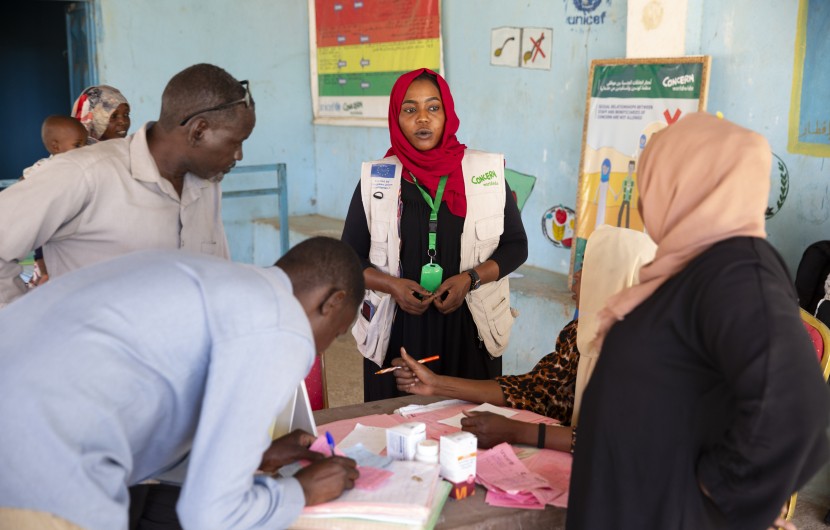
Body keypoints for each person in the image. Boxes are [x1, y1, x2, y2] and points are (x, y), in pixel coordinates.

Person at [566, 113, 830, 530]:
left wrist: (719, 490)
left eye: (655, 170)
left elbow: (797, 413)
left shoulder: (737, 270)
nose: (642, 194)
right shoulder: (695, 265)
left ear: (688, 179)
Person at [0, 237, 363, 530]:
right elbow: (211, 516)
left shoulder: (216, 280)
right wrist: (301, 491)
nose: (323, 348)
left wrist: (254, 456)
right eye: (337, 333)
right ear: (333, 303)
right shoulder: (281, 321)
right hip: (42, 459)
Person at [0, 63, 255, 309]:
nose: (238, 155)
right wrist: (25, 319)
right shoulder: (84, 173)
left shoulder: (205, 184)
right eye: (236, 142)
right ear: (198, 131)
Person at [341, 68, 528, 402]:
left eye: (433, 108)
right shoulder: (376, 180)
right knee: (396, 431)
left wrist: (470, 279)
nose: (422, 119)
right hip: (396, 329)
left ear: (448, 114)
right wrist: (391, 286)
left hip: (470, 328)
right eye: (410, 109)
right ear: (396, 117)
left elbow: (516, 246)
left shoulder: (485, 172)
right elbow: (348, 258)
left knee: (467, 431)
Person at [391, 225, 656, 453]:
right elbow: (536, 390)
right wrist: (436, 384)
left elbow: (618, 441)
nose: (575, 276)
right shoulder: (580, 333)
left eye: (587, 266)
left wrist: (518, 432)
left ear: (613, 276)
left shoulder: (647, 357)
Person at [19, 115, 89, 286]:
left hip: (71, 230)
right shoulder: (43, 168)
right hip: (47, 229)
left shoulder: (84, 166)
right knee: (46, 265)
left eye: (85, 144)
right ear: (55, 146)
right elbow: (22, 183)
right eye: (78, 145)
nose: (84, 149)